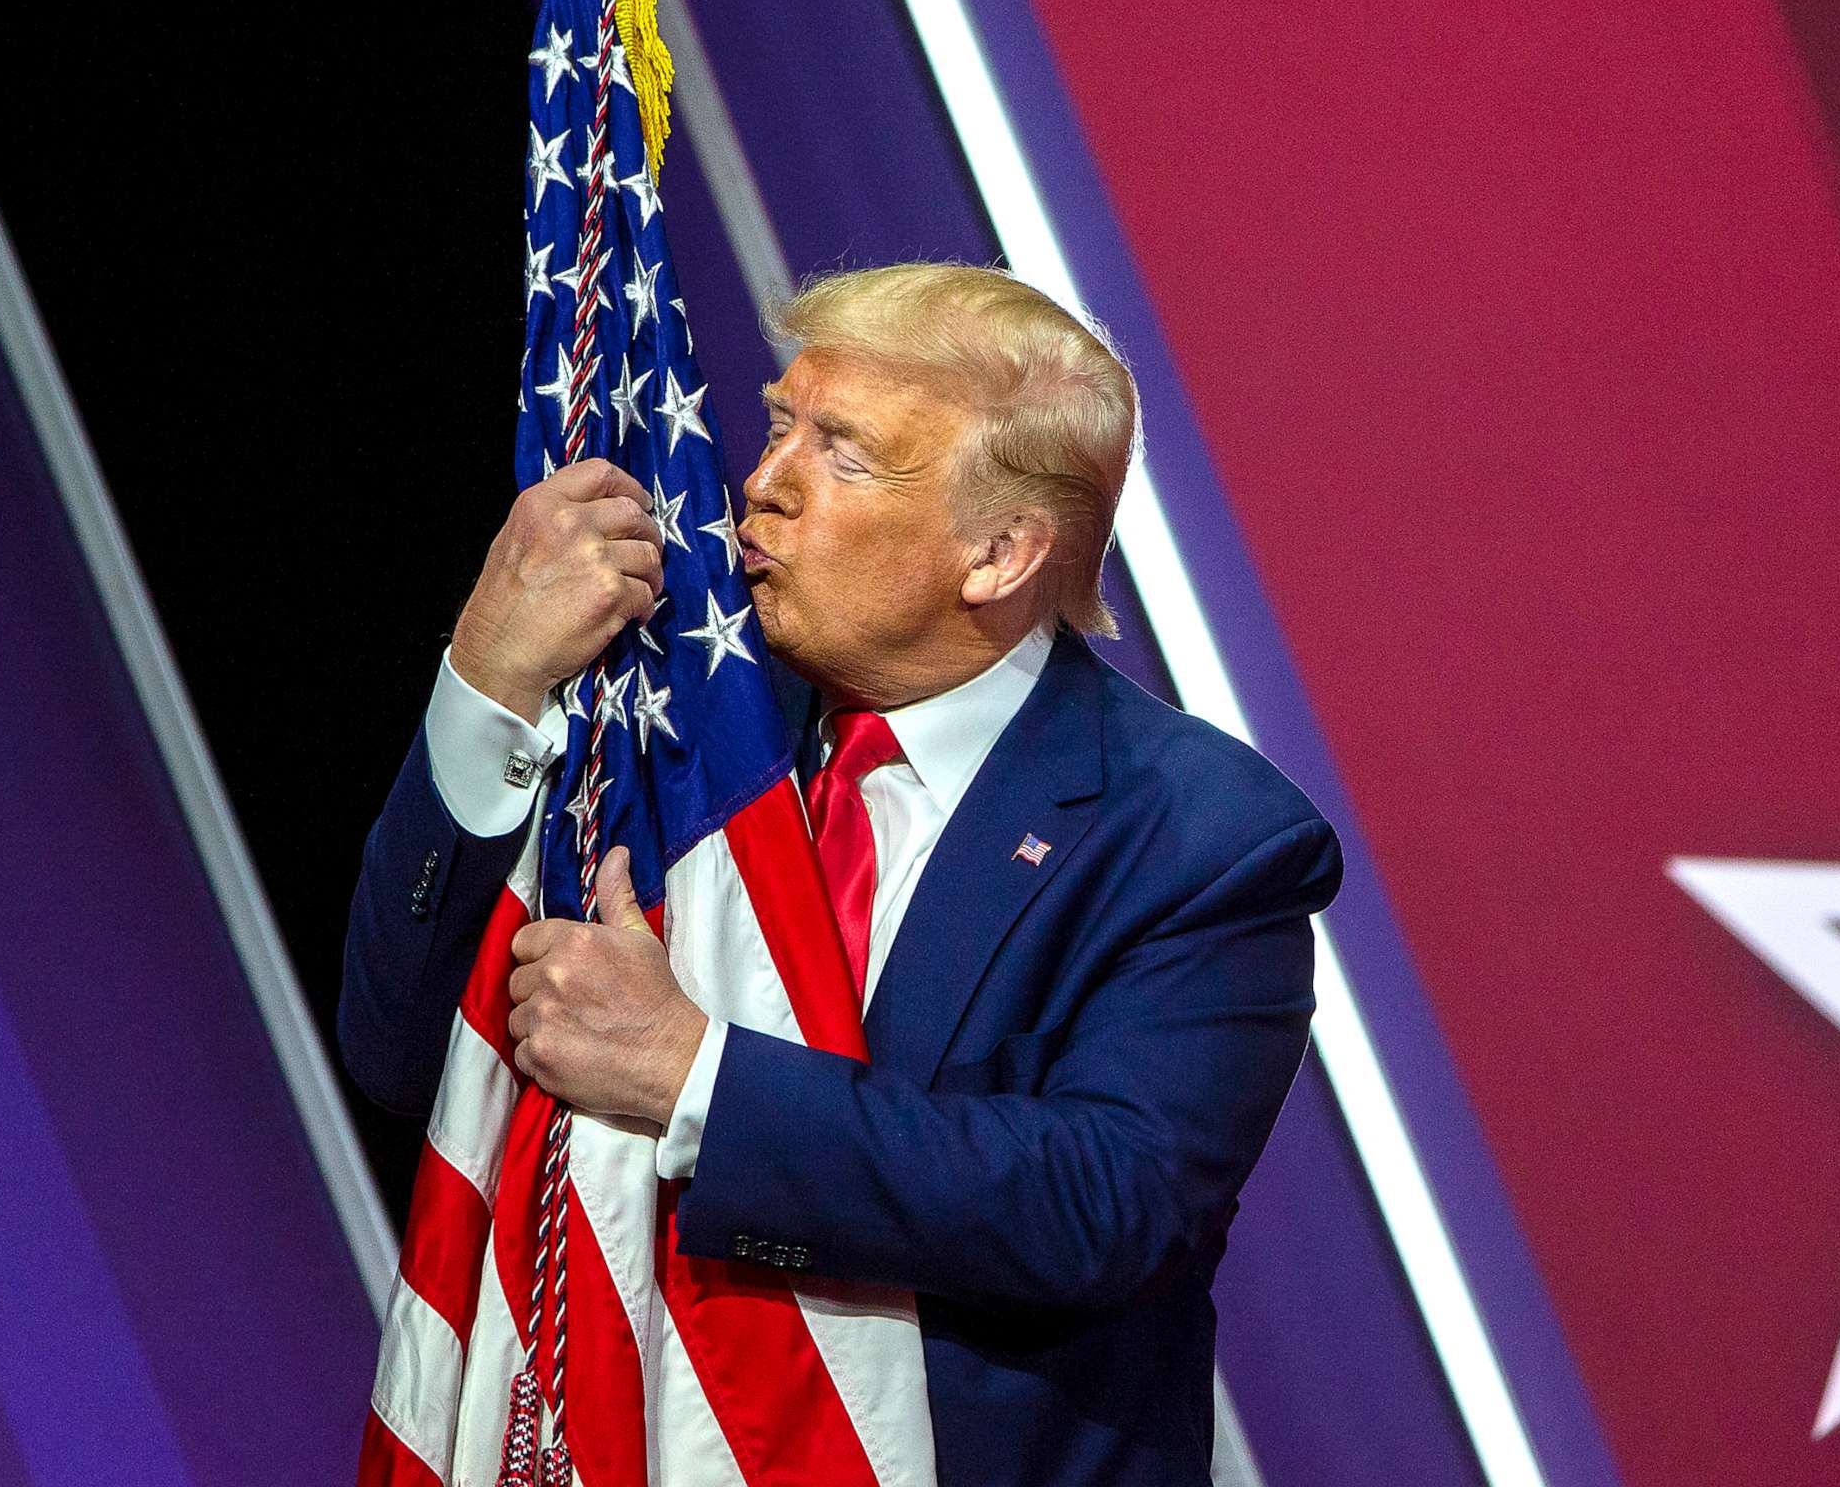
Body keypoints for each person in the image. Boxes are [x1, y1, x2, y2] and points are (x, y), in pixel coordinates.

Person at [340, 263, 1342, 1485]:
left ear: (1000, 552)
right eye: (778, 424)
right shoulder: (679, 739)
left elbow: (1103, 1204)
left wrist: (690, 1073)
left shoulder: (1202, 839)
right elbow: (398, 1050)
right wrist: (488, 682)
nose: (763, 483)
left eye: (846, 453)